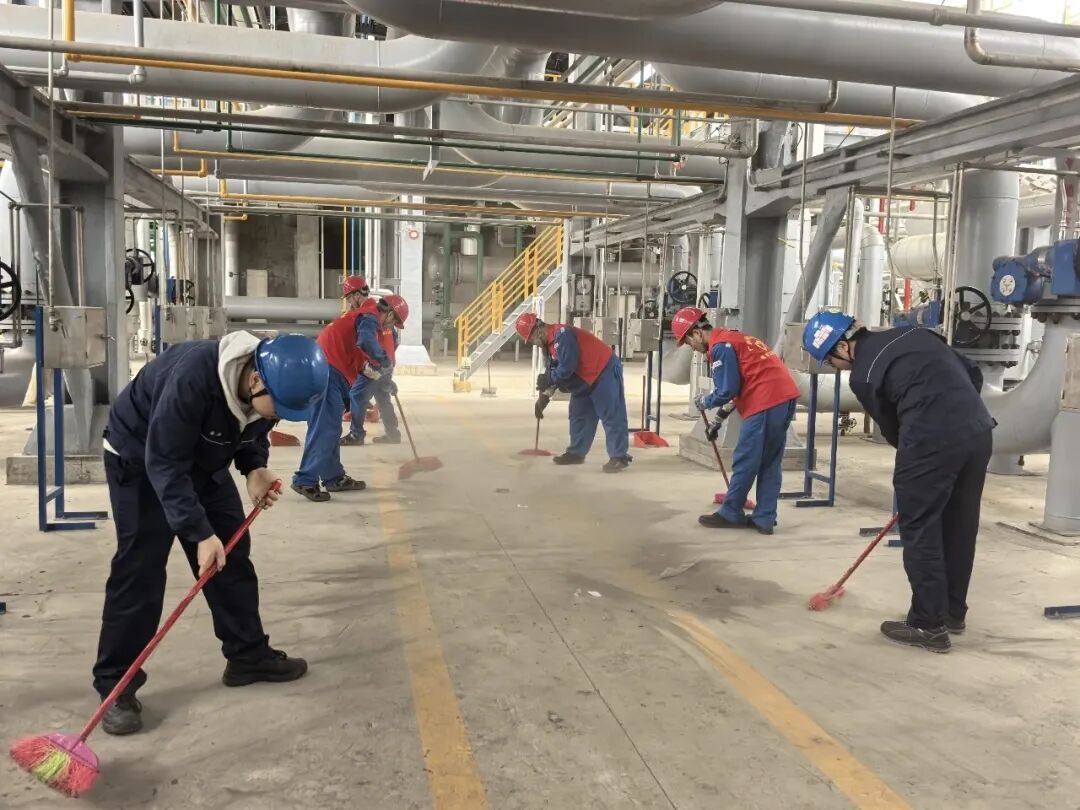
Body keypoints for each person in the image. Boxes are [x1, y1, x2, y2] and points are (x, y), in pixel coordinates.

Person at [94, 332, 328, 735]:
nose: (281, 415)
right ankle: (116, 686)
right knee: (140, 569)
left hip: (203, 457)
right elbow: (164, 463)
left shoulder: (270, 383)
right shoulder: (191, 380)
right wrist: (199, 533)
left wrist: (254, 467)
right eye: (281, 407)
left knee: (232, 556)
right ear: (255, 380)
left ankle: (247, 656)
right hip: (141, 459)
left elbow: (254, 426)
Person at [803, 311, 995, 653]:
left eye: (831, 360)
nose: (836, 367)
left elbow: (892, 428)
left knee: (920, 528)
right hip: (978, 432)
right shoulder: (915, 334)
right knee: (960, 525)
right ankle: (951, 612)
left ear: (844, 347)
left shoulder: (864, 375)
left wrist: (918, 472)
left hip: (930, 440)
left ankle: (928, 625)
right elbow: (972, 374)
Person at [672, 307, 800, 535]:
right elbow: (740, 387)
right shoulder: (735, 338)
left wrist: (705, 401)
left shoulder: (720, 347)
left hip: (766, 400)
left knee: (746, 459)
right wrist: (718, 420)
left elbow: (726, 390)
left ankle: (731, 512)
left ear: (697, 334)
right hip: (783, 398)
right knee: (770, 461)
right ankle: (764, 518)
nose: (692, 349)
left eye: (689, 342)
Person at [293, 294, 409, 501]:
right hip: (328, 371)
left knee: (329, 427)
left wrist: (385, 380)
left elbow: (362, 361)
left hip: (329, 369)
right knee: (325, 428)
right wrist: (384, 361)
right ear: (390, 314)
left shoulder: (362, 318)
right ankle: (305, 479)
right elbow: (366, 342)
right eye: (394, 322)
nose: (391, 327)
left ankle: (333, 477)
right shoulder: (370, 317)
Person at [516, 312, 631, 473]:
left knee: (611, 413)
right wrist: (544, 397)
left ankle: (619, 457)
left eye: (531, 339)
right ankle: (576, 453)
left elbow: (567, 367)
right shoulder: (547, 347)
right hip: (582, 378)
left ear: (538, 331)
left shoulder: (563, 336)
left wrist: (549, 379)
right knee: (579, 415)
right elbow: (553, 371)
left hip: (603, 370)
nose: (533, 343)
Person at [341, 282, 401, 447]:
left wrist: (379, 366)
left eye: (349, 298)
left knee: (357, 395)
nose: (349, 302)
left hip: (377, 365)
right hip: (385, 364)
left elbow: (368, 344)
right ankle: (393, 434)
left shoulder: (372, 318)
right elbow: (393, 343)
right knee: (383, 398)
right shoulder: (379, 317)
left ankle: (356, 434)